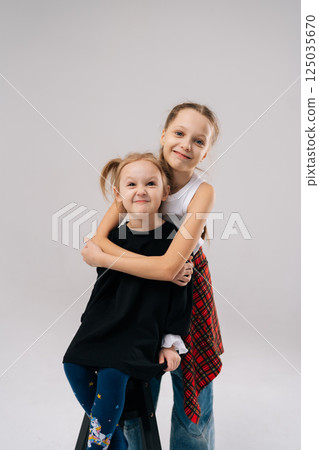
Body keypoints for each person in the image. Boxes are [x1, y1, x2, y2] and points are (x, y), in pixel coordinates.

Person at [81, 102, 224, 449]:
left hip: (186, 288)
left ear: (205, 153)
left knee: (191, 383)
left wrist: (105, 257)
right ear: (163, 135)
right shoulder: (141, 174)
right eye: (179, 133)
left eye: (198, 141)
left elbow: (168, 268)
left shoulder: (200, 192)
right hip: (136, 289)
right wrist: (152, 266)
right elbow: (97, 240)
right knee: (136, 376)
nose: (186, 145)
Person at [63, 152, 194, 449]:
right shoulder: (111, 236)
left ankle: (100, 444)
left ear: (165, 191)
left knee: (112, 373)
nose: (141, 191)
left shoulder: (174, 240)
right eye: (132, 184)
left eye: (150, 183)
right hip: (104, 321)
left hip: (140, 330)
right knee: (72, 363)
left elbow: (180, 295)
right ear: (118, 194)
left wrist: (170, 342)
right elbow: (105, 281)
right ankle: (117, 441)